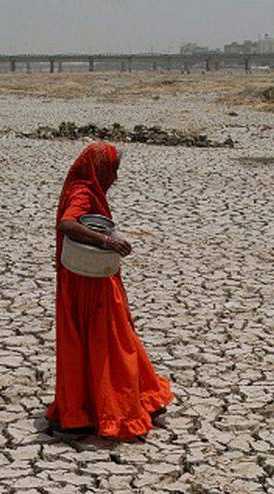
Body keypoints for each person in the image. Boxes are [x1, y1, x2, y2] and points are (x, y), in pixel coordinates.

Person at [46, 141, 173, 440]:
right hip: (88, 282)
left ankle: (126, 401)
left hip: (87, 279)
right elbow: (67, 224)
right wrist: (107, 242)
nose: (115, 178)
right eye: (113, 171)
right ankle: (112, 408)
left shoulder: (87, 190)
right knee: (112, 340)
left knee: (106, 339)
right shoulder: (82, 193)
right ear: (99, 169)